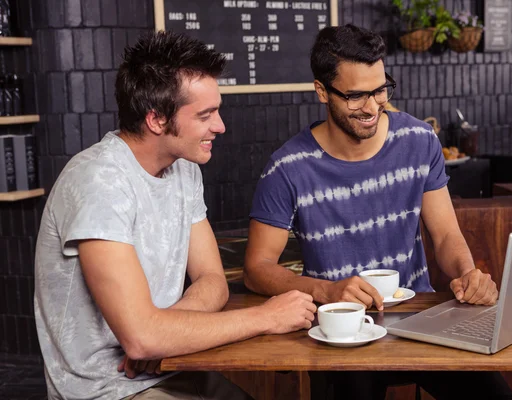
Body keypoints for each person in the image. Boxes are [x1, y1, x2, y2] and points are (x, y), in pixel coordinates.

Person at [33, 31, 316, 400]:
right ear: (156, 120)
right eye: (205, 115)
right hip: (108, 389)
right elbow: (140, 339)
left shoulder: (184, 169)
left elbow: (212, 278)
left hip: (170, 367)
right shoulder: (99, 180)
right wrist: (267, 317)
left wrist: (166, 335)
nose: (220, 126)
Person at [243, 24, 512, 400]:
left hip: (420, 320)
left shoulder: (420, 141)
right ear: (322, 91)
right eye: (356, 95)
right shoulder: (287, 167)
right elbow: (257, 270)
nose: (373, 107)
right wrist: (327, 291)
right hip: (340, 329)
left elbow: (447, 236)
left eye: (380, 89)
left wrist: (468, 274)